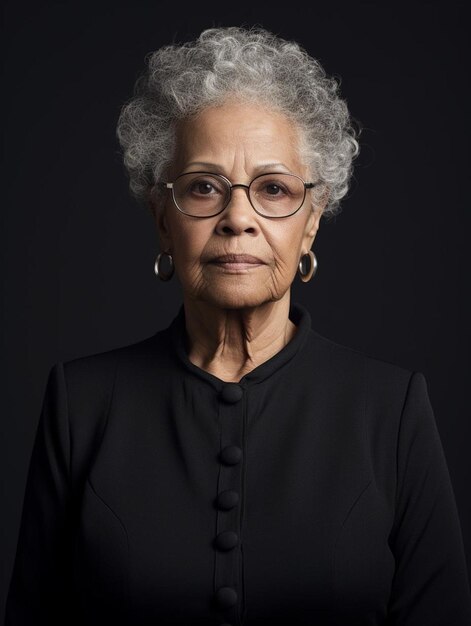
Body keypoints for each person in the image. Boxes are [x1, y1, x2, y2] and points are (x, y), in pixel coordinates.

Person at [5, 25, 471, 626]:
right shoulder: (81, 404)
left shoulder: (392, 409)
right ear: (161, 219)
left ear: (311, 224)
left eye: (273, 190)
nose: (237, 219)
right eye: (204, 188)